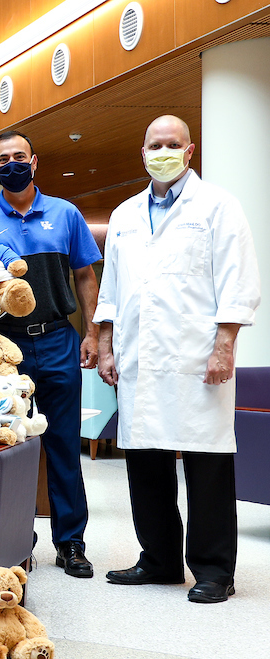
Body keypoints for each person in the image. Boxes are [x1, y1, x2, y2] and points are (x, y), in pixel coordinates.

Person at [96, 115, 260, 604]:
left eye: (172, 144)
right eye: (155, 145)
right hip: (138, 356)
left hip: (196, 354)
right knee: (145, 461)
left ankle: (214, 570)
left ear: (189, 151)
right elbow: (111, 288)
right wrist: (105, 345)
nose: (162, 152)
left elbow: (237, 279)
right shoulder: (125, 214)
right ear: (142, 152)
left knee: (207, 463)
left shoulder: (217, 206)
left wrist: (225, 345)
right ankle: (159, 559)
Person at [0, 130, 103, 579]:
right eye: (3, 158)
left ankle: (71, 543)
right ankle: (13, 540)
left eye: (20, 156)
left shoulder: (65, 213)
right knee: (7, 445)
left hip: (57, 338)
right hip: (4, 346)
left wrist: (92, 333)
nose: (12, 163)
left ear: (34, 161)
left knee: (64, 444)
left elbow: (85, 275)